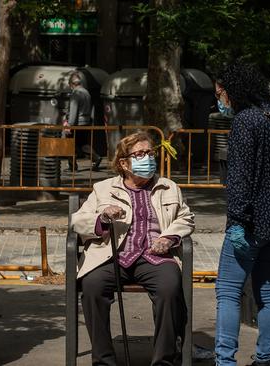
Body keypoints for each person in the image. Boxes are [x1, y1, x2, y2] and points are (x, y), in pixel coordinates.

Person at [71, 131, 195, 366]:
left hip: (154, 256)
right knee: (92, 286)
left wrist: (169, 237)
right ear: (124, 163)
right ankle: (103, 361)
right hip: (112, 255)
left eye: (150, 153)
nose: (147, 158)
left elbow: (186, 218)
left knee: (169, 288)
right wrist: (102, 218)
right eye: (139, 154)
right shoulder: (103, 188)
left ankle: (164, 361)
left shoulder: (168, 187)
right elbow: (78, 221)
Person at [214, 62, 270, 366]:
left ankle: (225, 361)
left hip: (251, 223)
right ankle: (266, 359)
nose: (221, 100)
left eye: (220, 94)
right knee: (267, 289)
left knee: (228, 292)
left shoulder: (244, 122)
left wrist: (237, 221)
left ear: (233, 91)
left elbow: (238, 178)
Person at [63, 72, 102, 171]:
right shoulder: (86, 92)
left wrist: (69, 125)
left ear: (72, 84)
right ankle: (96, 157)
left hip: (76, 123)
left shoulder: (76, 93)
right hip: (86, 122)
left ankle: (72, 166)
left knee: (69, 144)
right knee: (83, 144)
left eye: (70, 85)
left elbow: (73, 110)